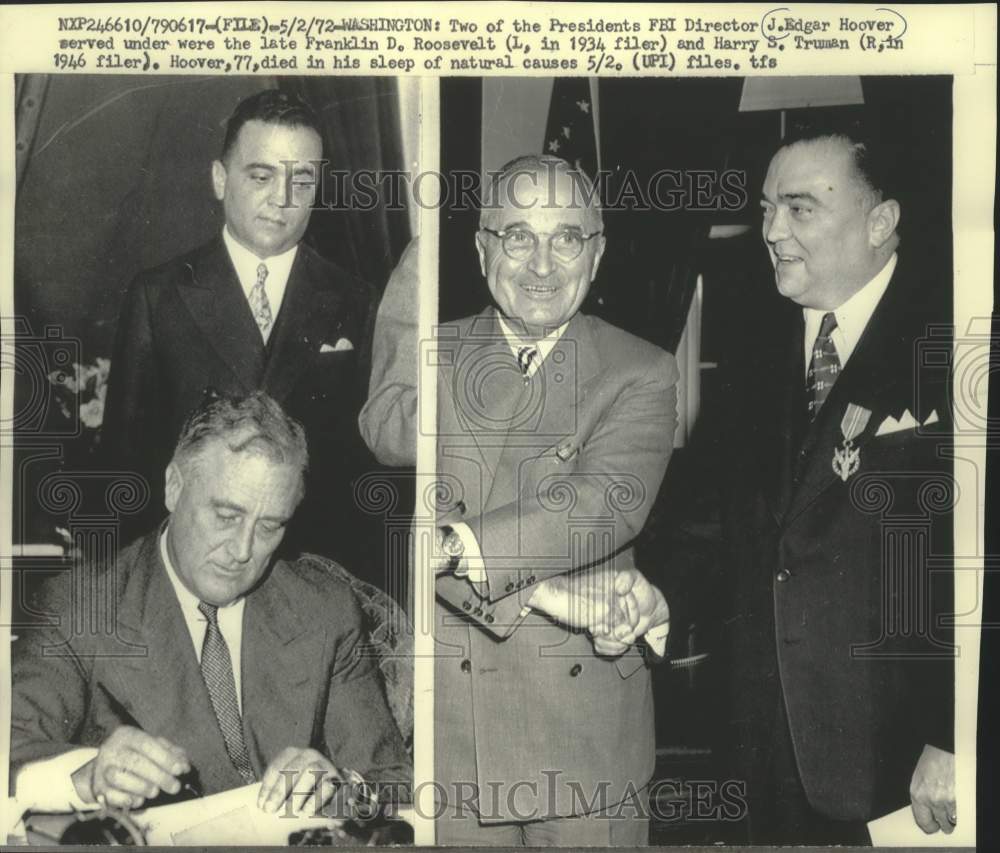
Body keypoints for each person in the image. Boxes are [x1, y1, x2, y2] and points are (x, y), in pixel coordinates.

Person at [361, 156, 674, 845]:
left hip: (585, 741)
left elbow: (598, 506)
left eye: (566, 237)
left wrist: (458, 545)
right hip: (455, 735)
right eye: (517, 236)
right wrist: (421, 256)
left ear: (596, 255)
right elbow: (385, 430)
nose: (541, 263)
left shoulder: (640, 370)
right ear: (480, 250)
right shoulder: (440, 353)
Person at [11, 392, 409, 817]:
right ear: (174, 486)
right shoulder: (79, 607)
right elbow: (11, 751)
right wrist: (86, 776)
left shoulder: (323, 609)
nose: (242, 550)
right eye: (226, 516)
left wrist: (342, 787)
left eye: (270, 526)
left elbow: (394, 781)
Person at [719, 129, 954, 843]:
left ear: (880, 223)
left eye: (799, 209)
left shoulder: (956, 338)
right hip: (772, 753)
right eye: (765, 208)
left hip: (907, 768)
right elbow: (725, 527)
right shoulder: (756, 348)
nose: (770, 231)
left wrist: (956, 735)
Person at [102, 89, 377, 568]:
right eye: (262, 175)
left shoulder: (356, 299)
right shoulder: (159, 294)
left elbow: (362, 475)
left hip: (312, 574)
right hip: (188, 568)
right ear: (220, 179)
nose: (281, 200)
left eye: (302, 180)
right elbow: (123, 469)